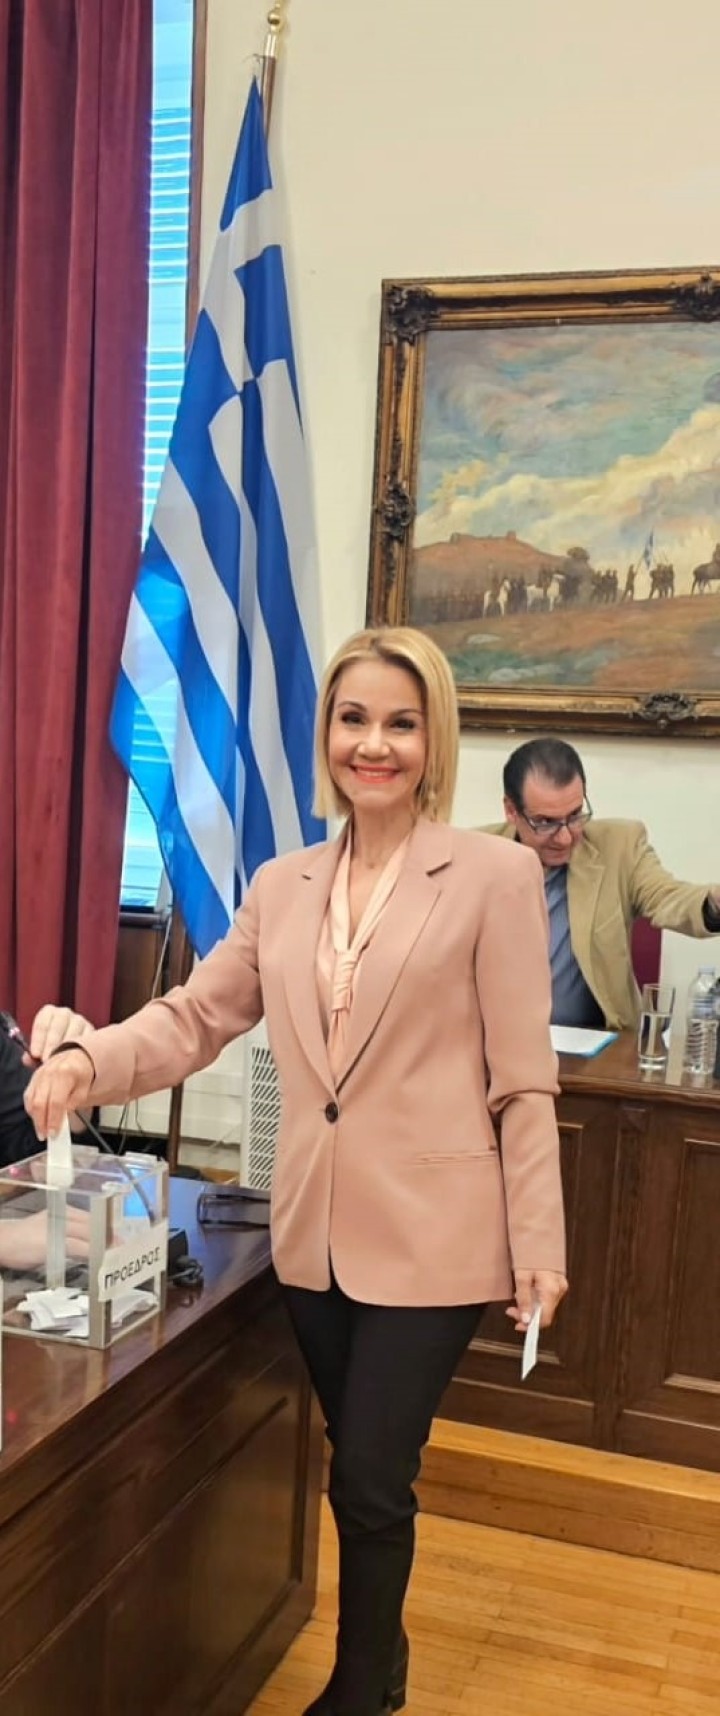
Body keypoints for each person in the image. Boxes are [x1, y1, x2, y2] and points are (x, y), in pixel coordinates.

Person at [25, 626, 567, 1716]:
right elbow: (195, 1018)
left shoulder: (496, 875)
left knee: (369, 1471)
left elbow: (523, 1082)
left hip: (438, 1237)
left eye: (401, 723)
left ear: (434, 738)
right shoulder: (284, 884)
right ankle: (386, 1660)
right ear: (326, 734)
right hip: (312, 1233)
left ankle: (361, 1692)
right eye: (354, 719)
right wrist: (88, 1062)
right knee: (357, 1464)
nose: (375, 743)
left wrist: (539, 1245)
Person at [486, 737, 720, 1031]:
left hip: (598, 1045)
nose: (565, 837)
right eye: (546, 822)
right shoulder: (475, 855)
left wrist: (714, 901)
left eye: (574, 816)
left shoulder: (619, 847)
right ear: (511, 810)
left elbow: (668, 898)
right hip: (498, 1042)